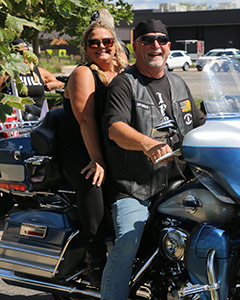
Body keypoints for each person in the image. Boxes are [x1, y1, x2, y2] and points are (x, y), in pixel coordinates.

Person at [100, 19, 205, 299]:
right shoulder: (125, 83)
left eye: (161, 40)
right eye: (148, 40)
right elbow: (115, 129)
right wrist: (147, 143)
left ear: (169, 46)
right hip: (136, 187)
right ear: (136, 46)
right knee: (128, 240)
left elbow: (199, 124)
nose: (155, 45)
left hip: (181, 182)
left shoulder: (179, 83)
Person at [53, 19, 125, 286]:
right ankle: (97, 262)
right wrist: (97, 159)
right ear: (85, 48)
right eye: (94, 43)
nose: (101, 47)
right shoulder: (84, 73)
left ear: (115, 44)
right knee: (93, 182)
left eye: (106, 41)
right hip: (80, 146)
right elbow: (86, 121)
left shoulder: (121, 70)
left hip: (108, 144)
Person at [0, 39, 64, 120]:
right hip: (15, 121)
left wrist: (54, 85)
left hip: (39, 118)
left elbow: (61, 84)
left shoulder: (39, 72)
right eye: (20, 53)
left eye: (27, 52)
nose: (25, 55)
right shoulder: (6, 72)